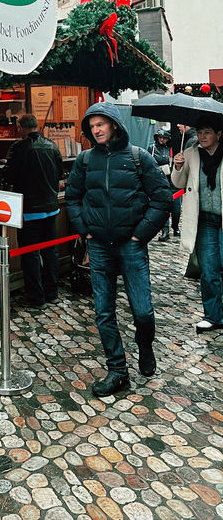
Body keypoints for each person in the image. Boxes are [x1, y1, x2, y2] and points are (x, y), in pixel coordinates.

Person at [65, 103, 173, 397]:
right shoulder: (85, 160)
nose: (96, 130)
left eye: (101, 124)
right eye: (92, 126)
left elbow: (162, 199)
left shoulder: (139, 158)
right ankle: (117, 370)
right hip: (99, 246)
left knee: (143, 312)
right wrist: (83, 229)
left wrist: (141, 235)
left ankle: (145, 346)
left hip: (131, 247)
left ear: (113, 125)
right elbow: (72, 197)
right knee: (103, 312)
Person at [2, 113, 63, 308]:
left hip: (29, 209)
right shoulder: (52, 146)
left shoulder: (19, 148)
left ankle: (36, 298)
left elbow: (9, 176)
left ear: (21, 127)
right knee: (51, 251)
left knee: (31, 254)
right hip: (51, 208)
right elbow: (59, 173)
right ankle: (52, 293)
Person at [171, 116, 223, 333]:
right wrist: (178, 166)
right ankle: (213, 316)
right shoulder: (192, 153)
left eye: (207, 132)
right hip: (205, 221)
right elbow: (178, 183)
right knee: (209, 270)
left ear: (219, 134)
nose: (202, 136)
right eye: (200, 132)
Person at [147, 128, 172, 241]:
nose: (162, 140)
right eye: (160, 137)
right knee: (160, 205)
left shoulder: (171, 149)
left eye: (164, 138)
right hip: (155, 180)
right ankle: (164, 229)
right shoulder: (152, 148)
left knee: (173, 207)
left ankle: (173, 227)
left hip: (169, 180)